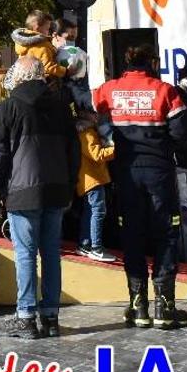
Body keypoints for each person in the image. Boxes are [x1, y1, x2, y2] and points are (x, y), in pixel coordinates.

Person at [0, 57, 80, 339]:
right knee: (51, 254)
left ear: (18, 77)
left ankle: (26, 318)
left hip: (22, 192)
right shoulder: (60, 108)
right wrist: (69, 188)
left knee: (25, 254)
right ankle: (51, 317)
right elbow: (74, 153)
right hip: (56, 190)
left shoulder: (6, 108)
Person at [94, 46, 187, 330]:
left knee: (132, 235)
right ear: (152, 63)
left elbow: (88, 108)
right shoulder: (165, 91)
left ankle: (138, 306)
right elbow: (180, 133)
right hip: (159, 172)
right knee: (166, 234)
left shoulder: (109, 89)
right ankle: (165, 307)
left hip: (126, 172)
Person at [74, 110, 116, 262]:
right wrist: (116, 150)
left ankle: (85, 244)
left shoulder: (86, 131)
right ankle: (96, 247)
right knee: (98, 211)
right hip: (92, 179)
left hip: (89, 179)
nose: (99, 117)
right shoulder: (87, 133)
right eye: (95, 114)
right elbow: (96, 155)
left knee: (90, 211)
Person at [10, 10, 67, 78]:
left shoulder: (23, 44)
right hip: (41, 82)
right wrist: (66, 71)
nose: (48, 32)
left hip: (24, 80)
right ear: (36, 27)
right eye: (47, 29)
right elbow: (48, 67)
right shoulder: (41, 47)